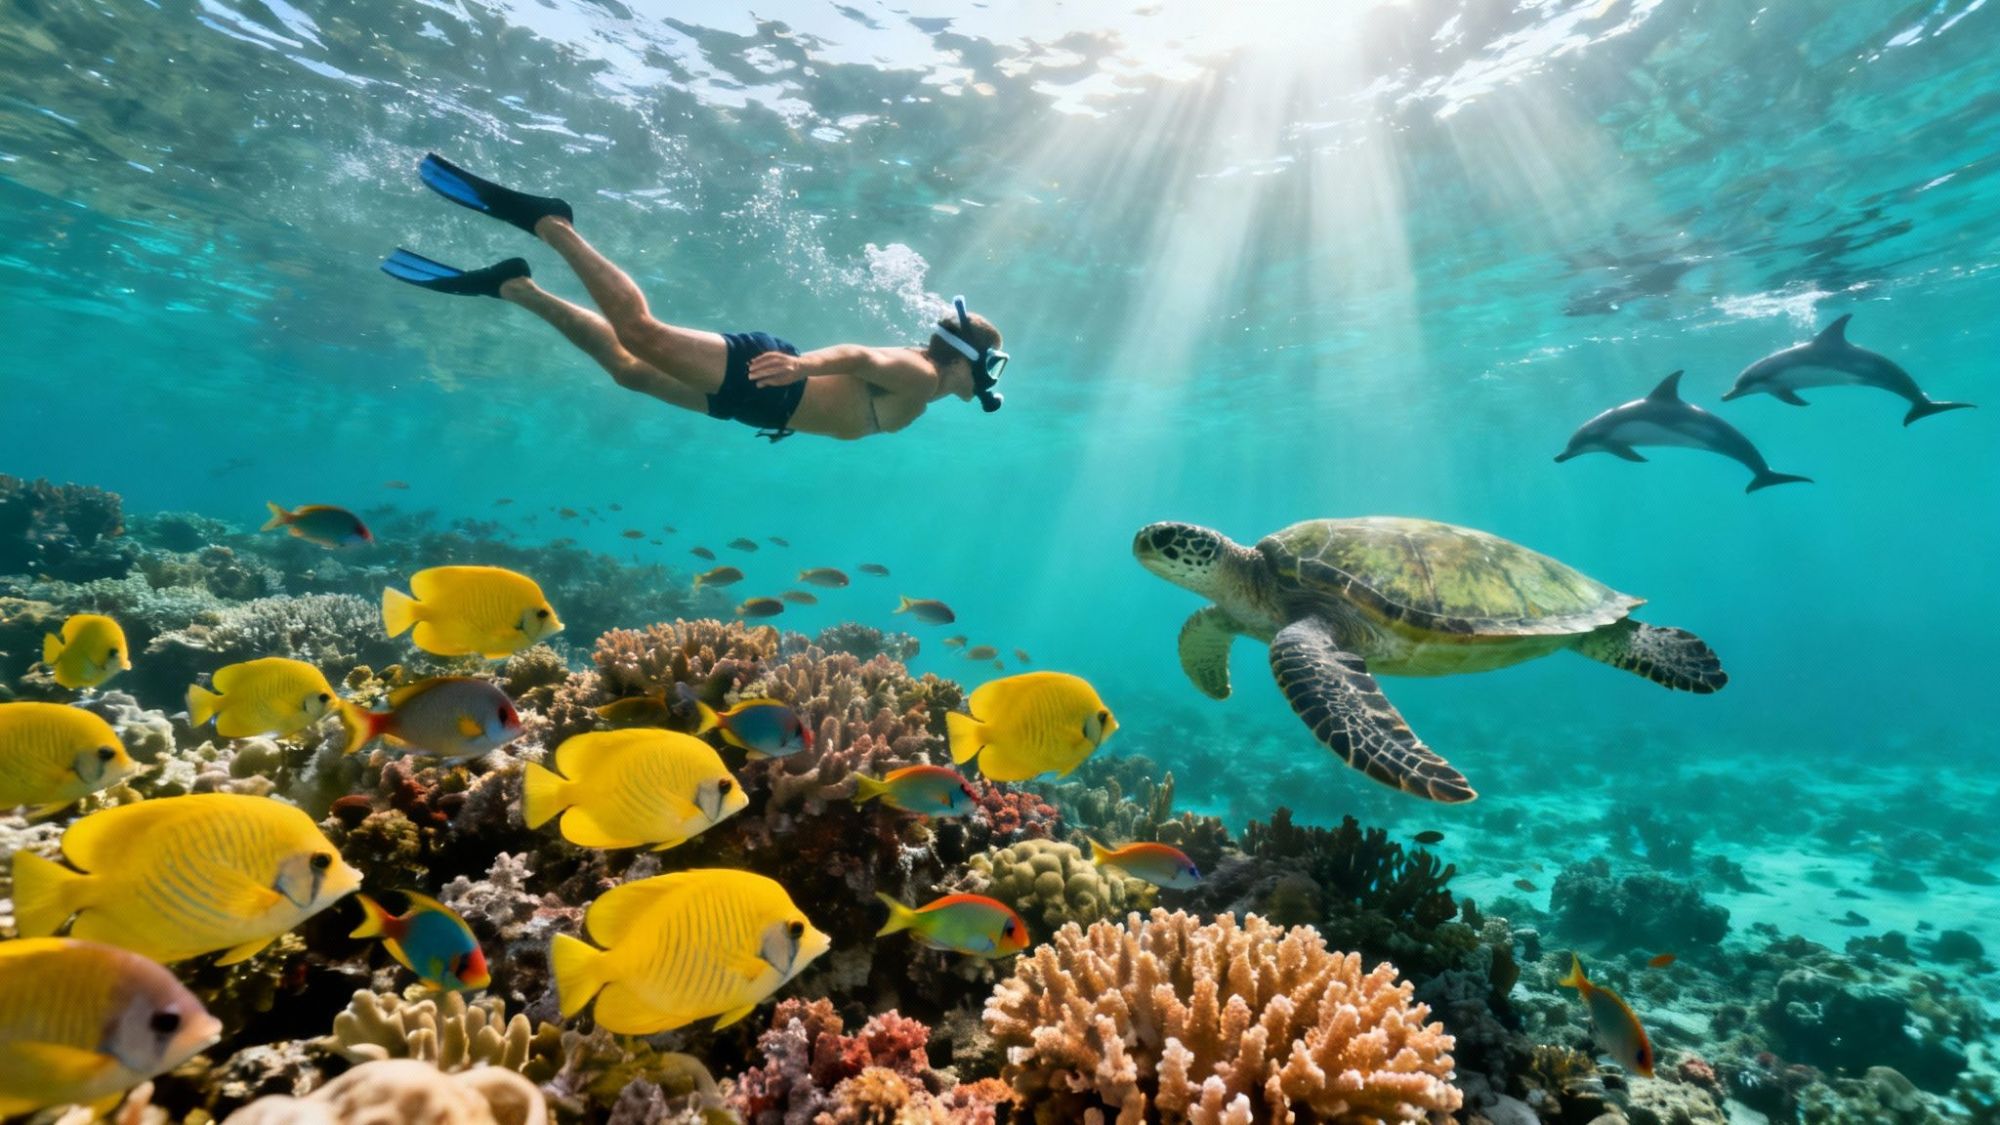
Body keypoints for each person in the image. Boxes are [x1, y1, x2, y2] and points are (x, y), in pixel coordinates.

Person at [381, 154, 1006, 442]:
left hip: (760, 408)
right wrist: (803, 366)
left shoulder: (924, 394)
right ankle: (552, 223)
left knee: (632, 372)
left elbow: (852, 392)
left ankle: (516, 287)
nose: (983, 384)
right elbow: (862, 359)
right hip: (773, 382)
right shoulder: (922, 376)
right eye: (988, 368)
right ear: (961, 360)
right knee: (640, 333)